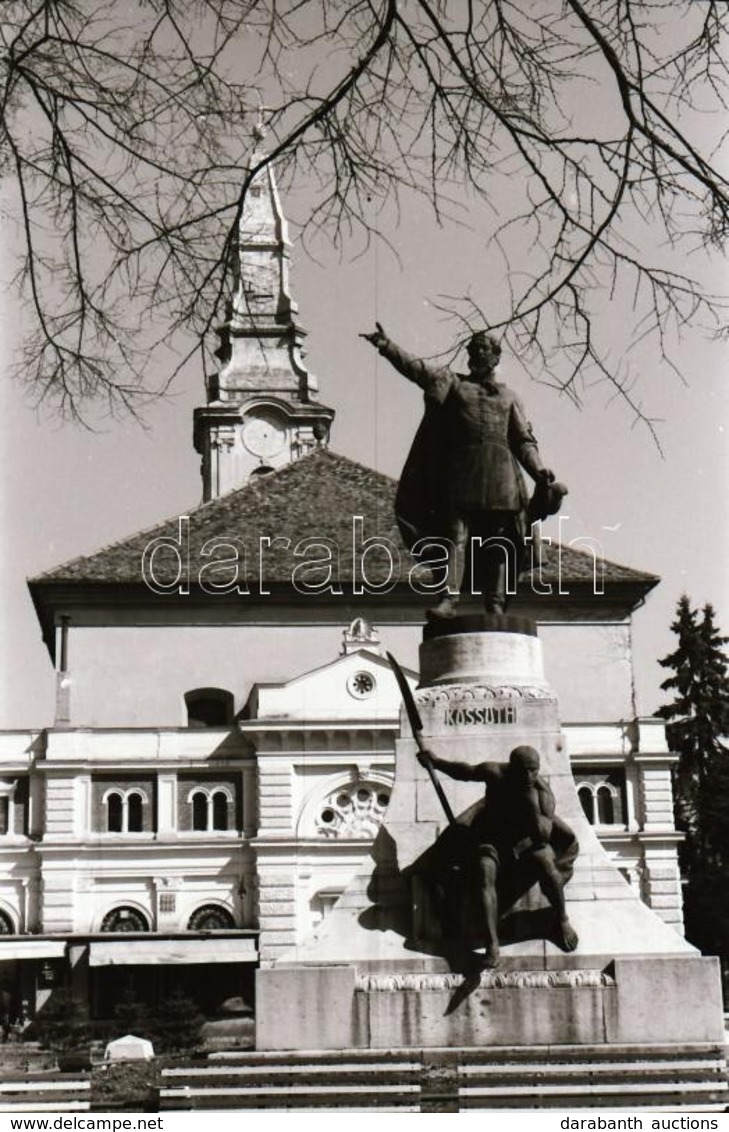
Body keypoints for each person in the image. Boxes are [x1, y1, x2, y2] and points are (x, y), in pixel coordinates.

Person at [360, 323, 566, 618]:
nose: (476, 353)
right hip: (462, 474)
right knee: (455, 537)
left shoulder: (510, 398)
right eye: (472, 350)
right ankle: (448, 600)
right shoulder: (452, 384)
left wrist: (539, 470)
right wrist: (387, 346)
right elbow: (418, 370)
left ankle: (495, 605)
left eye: (483, 349)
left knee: (499, 541)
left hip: (502, 477)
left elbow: (523, 441)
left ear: (495, 357)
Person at [416, 744, 579, 967]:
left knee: (547, 865)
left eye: (534, 770)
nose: (529, 776)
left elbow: (542, 835)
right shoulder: (495, 773)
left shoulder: (542, 793)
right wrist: (435, 762)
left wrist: (529, 802)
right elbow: (465, 772)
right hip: (490, 841)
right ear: (512, 767)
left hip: (525, 843)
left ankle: (562, 919)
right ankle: (492, 944)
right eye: (524, 771)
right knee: (484, 871)